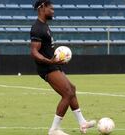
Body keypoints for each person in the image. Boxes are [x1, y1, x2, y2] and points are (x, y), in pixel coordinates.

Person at [30, 0, 96, 135]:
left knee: (72, 89)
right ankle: (54, 129)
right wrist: (50, 61)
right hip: (46, 68)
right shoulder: (37, 28)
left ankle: (82, 122)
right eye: (51, 9)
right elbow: (34, 52)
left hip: (53, 65)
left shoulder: (45, 26)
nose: (53, 11)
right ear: (42, 8)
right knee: (67, 93)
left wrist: (57, 61)